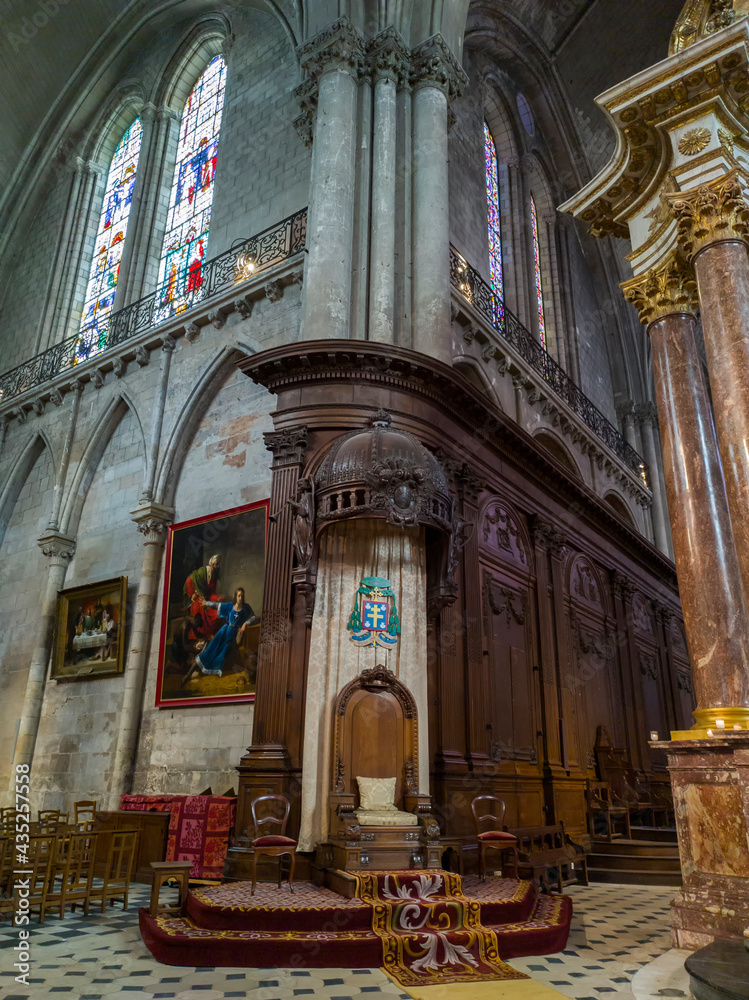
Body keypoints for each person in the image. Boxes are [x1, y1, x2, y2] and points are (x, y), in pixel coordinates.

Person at [182, 588, 257, 684]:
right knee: (208, 652)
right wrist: (206, 603)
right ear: (236, 596)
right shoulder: (231, 605)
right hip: (224, 632)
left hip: (234, 636)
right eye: (239, 595)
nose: (240, 598)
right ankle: (187, 675)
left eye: (242, 595)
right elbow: (217, 605)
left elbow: (253, 617)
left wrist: (245, 623)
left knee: (222, 656)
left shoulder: (246, 608)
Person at [184, 554, 222, 640]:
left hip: (206, 597)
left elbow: (211, 592)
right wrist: (192, 593)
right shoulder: (202, 571)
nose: (218, 566)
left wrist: (217, 598)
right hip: (197, 597)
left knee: (215, 609)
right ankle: (198, 637)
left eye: (219, 564)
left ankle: (210, 634)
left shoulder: (214, 577)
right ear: (213, 564)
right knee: (198, 607)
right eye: (217, 564)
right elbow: (190, 579)